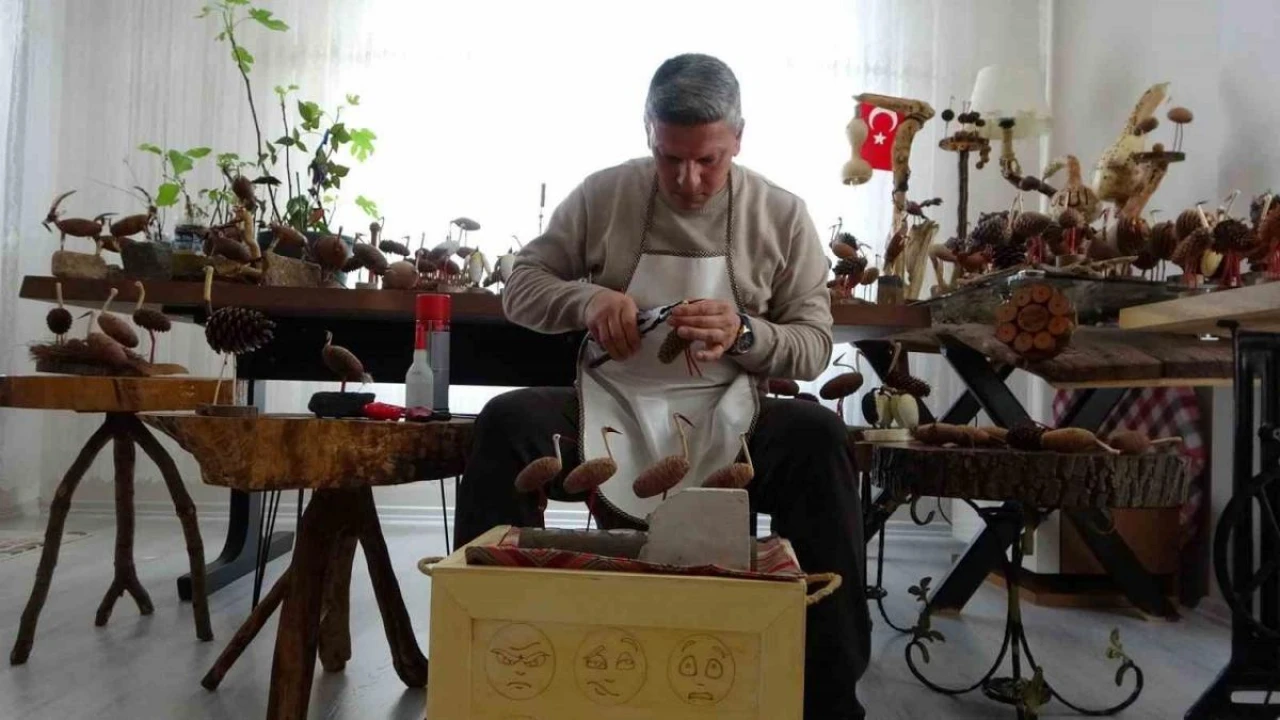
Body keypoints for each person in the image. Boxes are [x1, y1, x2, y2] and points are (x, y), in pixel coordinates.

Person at [453, 52, 869, 719]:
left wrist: (745, 334)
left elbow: (815, 346)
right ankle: (497, 666)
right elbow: (520, 288)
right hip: (610, 405)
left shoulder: (782, 214)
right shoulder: (604, 194)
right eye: (669, 158)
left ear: (739, 139)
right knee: (507, 422)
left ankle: (827, 697)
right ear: (648, 132)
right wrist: (588, 300)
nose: (688, 180)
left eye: (709, 160)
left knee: (819, 437)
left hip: (732, 416)